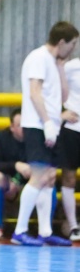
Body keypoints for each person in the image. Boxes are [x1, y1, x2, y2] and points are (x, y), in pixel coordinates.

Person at [11, 21, 78, 246]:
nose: (74, 48)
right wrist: (47, 122)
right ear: (62, 42)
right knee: (39, 176)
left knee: (49, 178)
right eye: (72, 44)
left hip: (51, 126)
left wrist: (60, 68)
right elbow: (34, 92)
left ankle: (45, 231)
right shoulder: (38, 57)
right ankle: (20, 230)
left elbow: (63, 96)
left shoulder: (52, 62)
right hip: (37, 125)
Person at [0, 109, 30, 240]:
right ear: (12, 127)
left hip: (31, 180)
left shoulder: (35, 136)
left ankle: (45, 230)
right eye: (20, 125)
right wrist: (15, 165)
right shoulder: (3, 137)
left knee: (47, 181)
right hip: (8, 180)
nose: (24, 128)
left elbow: (39, 163)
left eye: (26, 124)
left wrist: (18, 180)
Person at [59, 57, 80, 241]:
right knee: (69, 177)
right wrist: (60, 113)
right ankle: (73, 226)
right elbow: (49, 89)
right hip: (73, 129)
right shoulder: (71, 67)